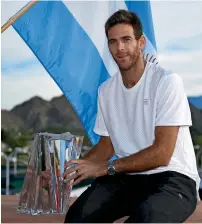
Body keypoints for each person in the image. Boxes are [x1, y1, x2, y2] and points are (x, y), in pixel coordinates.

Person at [63, 10, 200, 223]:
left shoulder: (166, 82)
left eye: (126, 39)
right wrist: (66, 173)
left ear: (141, 42)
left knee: (144, 219)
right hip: (127, 177)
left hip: (173, 178)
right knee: (77, 218)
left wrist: (106, 168)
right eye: (113, 42)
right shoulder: (106, 91)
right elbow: (107, 147)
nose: (120, 48)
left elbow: (162, 154)